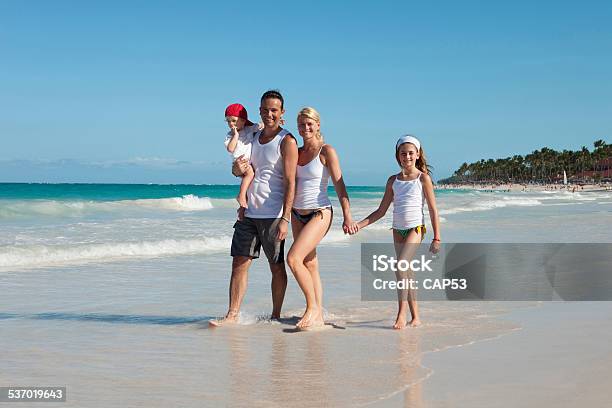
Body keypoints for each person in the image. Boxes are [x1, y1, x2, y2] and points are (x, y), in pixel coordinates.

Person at [210, 90, 298, 326]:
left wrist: (286, 218)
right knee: (239, 261)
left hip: (273, 214)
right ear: (259, 111)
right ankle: (232, 314)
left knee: (276, 266)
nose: (269, 114)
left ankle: (276, 315)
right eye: (265, 110)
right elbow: (240, 170)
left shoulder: (287, 141)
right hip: (249, 212)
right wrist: (237, 170)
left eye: (274, 110)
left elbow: (291, 181)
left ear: (281, 113)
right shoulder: (252, 136)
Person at [356, 135, 441, 329]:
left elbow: (433, 210)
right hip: (397, 230)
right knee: (407, 273)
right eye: (403, 154)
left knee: (400, 267)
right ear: (398, 156)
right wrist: (359, 225)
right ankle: (416, 317)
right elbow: (381, 211)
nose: (407, 157)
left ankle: (401, 314)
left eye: (411, 153)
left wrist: (437, 237)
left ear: (417, 155)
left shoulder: (423, 178)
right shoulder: (393, 181)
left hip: (416, 229)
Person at [286, 107, 358, 330]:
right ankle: (318, 313)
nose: (305, 128)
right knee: (310, 263)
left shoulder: (326, 151)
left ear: (317, 125)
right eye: (301, 124)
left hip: (320, 212)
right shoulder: (295, 152)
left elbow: (339, 185)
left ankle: (311, 308)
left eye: (309, 124)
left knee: (293, 259)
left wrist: (348, 216)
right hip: (297, 213)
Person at [223, 103, 262, 209]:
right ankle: (241, 196)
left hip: (248, 161)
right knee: (250, 174)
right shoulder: (230, 135)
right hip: (240, 161)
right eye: (228, 121)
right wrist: (236, 135)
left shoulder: (248, 130)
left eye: (234, 121)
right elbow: (230, 149)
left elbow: (260, 126)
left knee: (249, 179)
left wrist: (278, 121)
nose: (231, 124)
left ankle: (244, 198)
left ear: (243, 121)